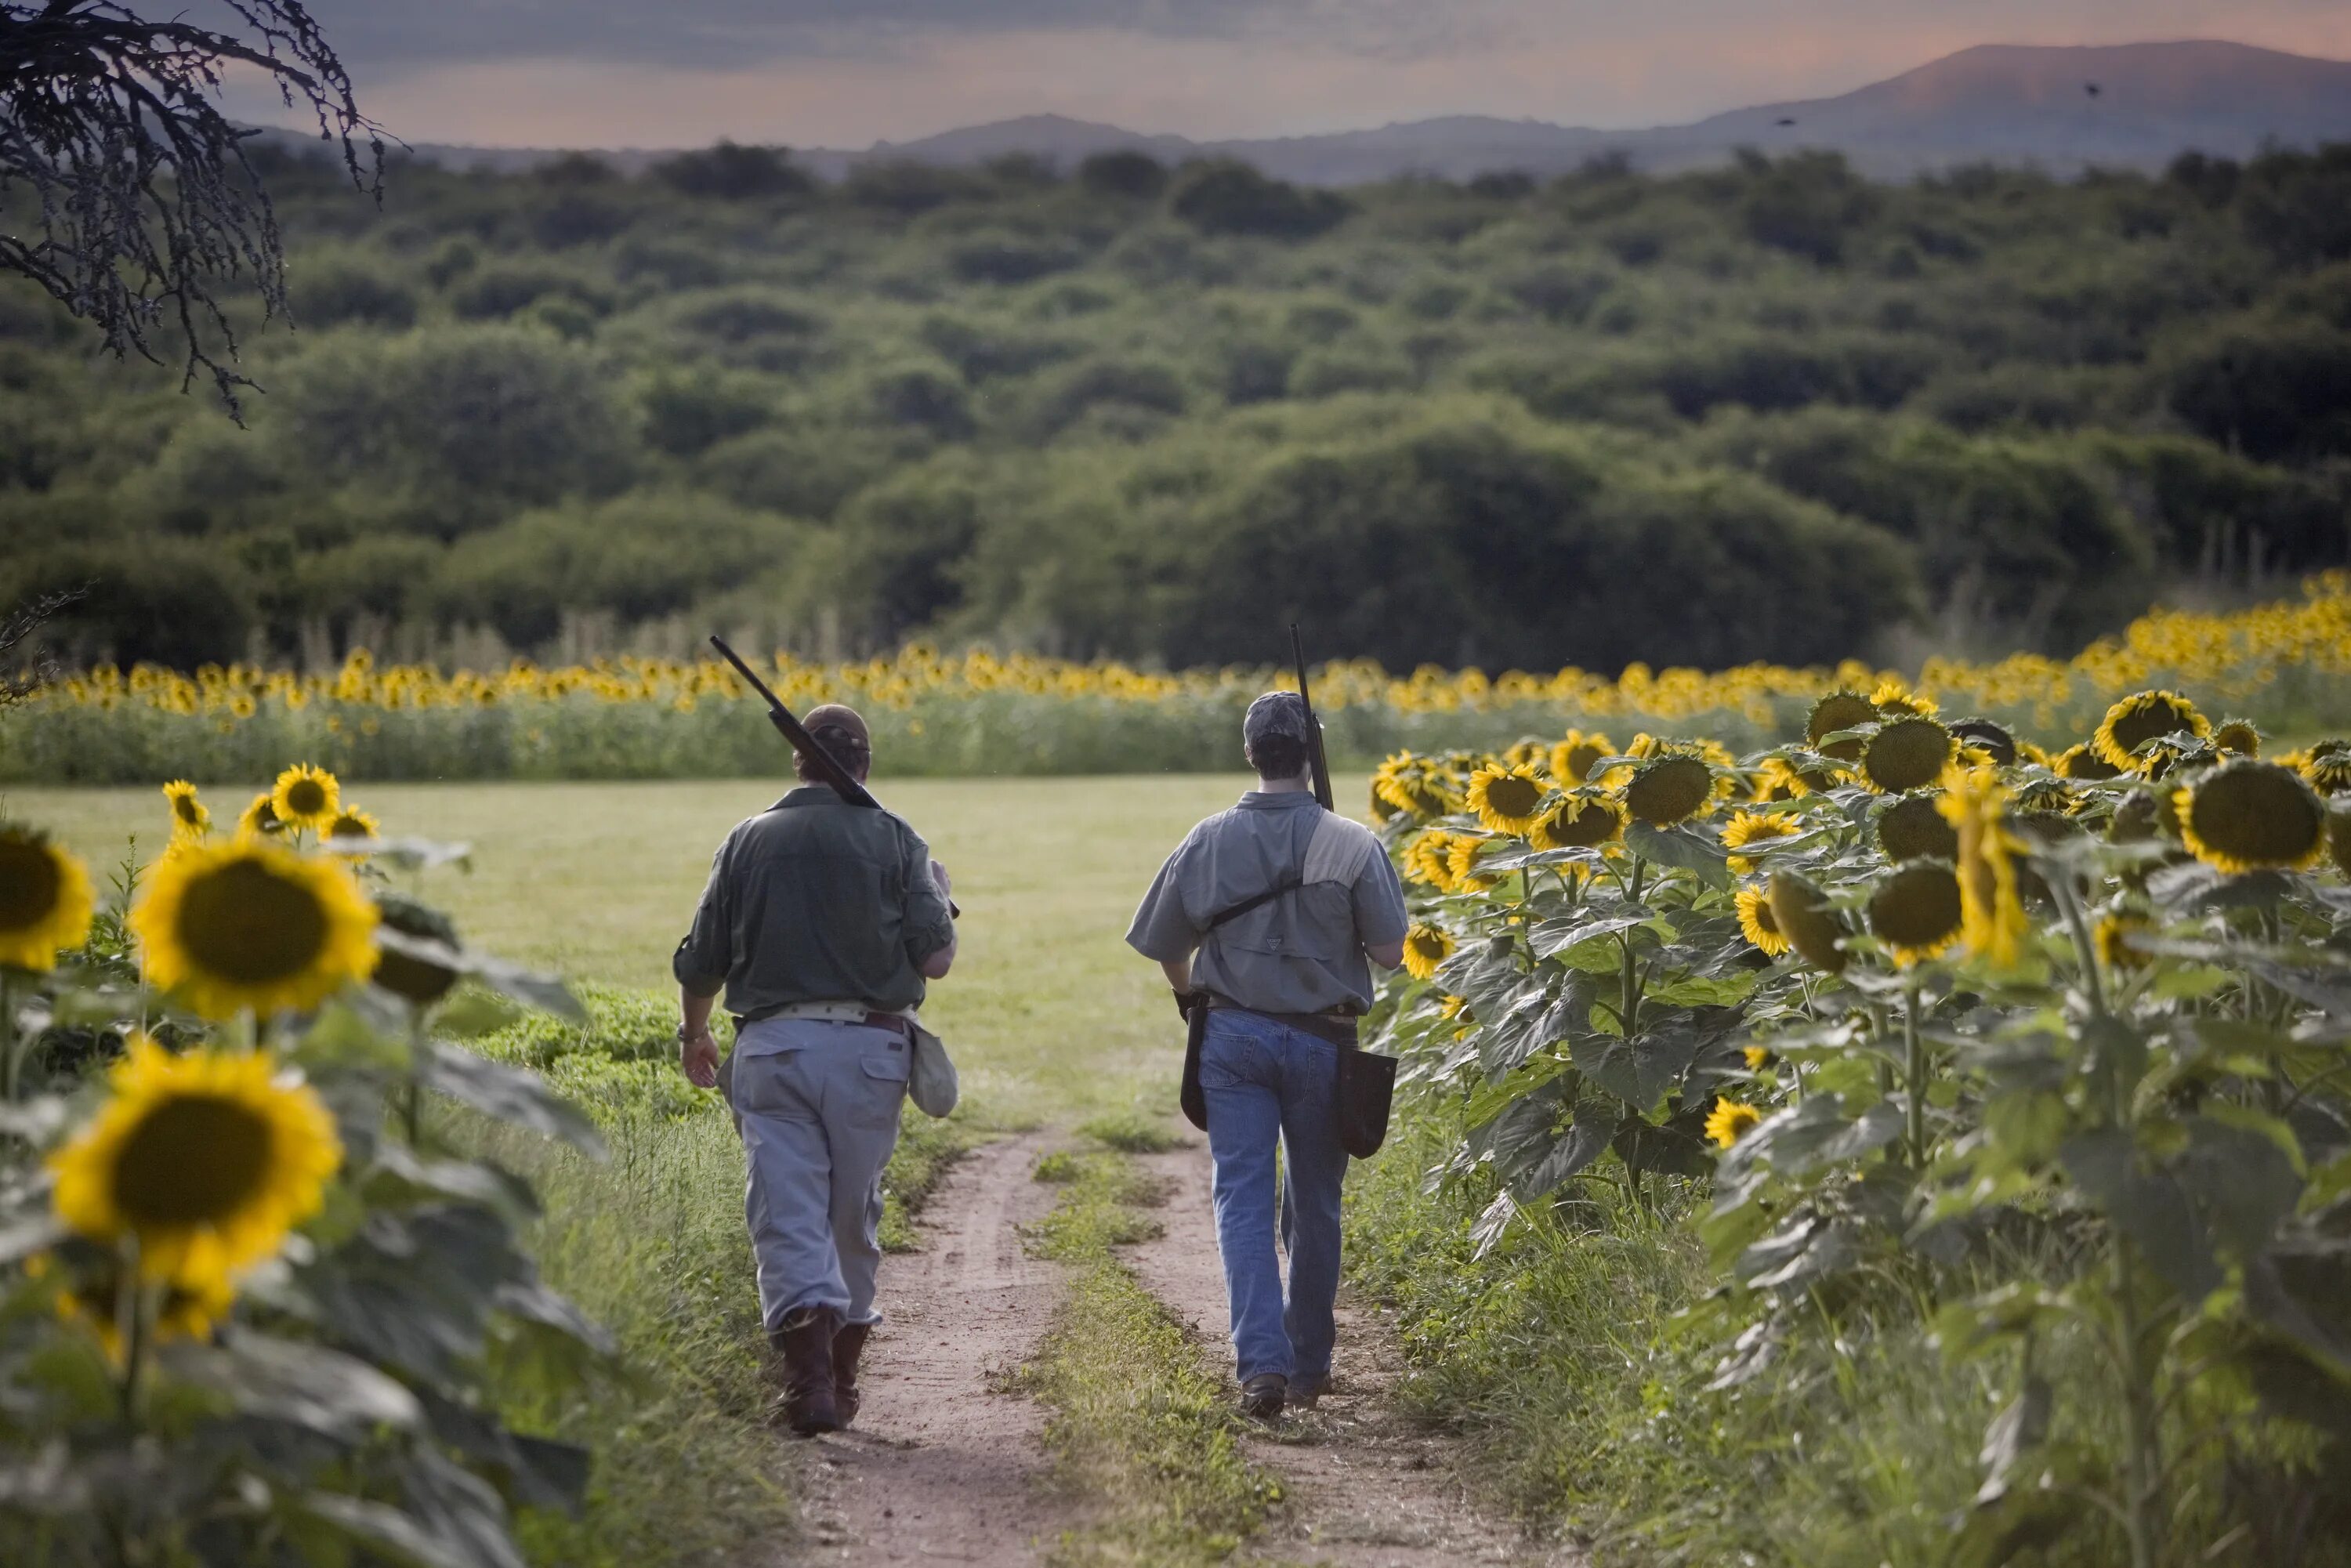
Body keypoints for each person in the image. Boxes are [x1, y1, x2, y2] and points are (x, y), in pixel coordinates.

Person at [672, 703, 958, 1436]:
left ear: (798, 763)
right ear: (864, 766)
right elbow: (936, 958)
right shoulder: (898, 838)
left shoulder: (747, 839)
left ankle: (809, 1385)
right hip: (871, 1050)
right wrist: (938, 891)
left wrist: (696, 1031)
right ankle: (843, 1368)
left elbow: (702, 958)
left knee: (787, 1209)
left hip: (772, 1050)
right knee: (851, 1213)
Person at [1125, 691, 1409, 1421]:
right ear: (1311, 755)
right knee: (1315, 1204)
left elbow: (1165, 945)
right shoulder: (1352, 841)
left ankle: (1261, 1368)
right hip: (1325, 1041)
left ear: (1251, 752)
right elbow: (1389, 953)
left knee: (1241, 1199)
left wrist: (1195, 1000)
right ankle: (1310, 1362)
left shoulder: (1208, 836)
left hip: (1232, 1037)